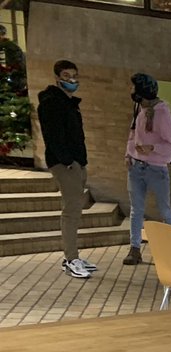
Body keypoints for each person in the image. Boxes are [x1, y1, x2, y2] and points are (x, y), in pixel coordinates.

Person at [37, 59, 96, 280]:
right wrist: (68, 160)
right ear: (57, 78)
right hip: (65, 163)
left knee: (75, 209)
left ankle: (72, 257)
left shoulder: (70, 102)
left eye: (74, 75)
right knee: (71, 211)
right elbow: (53, 136)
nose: (71, 79)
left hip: (76, 162)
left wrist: (81, 161)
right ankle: (71, 259)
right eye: (66, 75)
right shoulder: (52, 102)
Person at [123, 73, 171, 266]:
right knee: (136, 209)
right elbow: (132, 134)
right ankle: (135, 248)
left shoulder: (162, 112)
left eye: (133, 87)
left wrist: (153, 148)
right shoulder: (139, 108)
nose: (130, 91)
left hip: (156, 167)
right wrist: (128, 154)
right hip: (136, 166)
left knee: (164, 209)